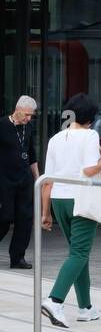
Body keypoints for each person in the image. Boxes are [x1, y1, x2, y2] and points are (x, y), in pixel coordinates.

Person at [40, 94, 101, 328]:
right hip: (80, 198)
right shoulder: (90, 136)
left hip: (59, 199)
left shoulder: (55, 138)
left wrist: (45, 212)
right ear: (91, 119)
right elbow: (89, 171)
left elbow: (46, 180)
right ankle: (54, 300)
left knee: (78, 253)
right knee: (79, 253)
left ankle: (86, 307)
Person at [0, 95, 38, 269]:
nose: (29, 118)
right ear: (17, 110)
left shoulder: (28, 128)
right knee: (5, 218)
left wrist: (38, 178)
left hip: (24, 180)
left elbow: (31, 154)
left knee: (25, 219)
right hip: (5, 180)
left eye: (32, 115)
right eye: (27, 115)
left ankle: (17, 257)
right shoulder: (2, 125)